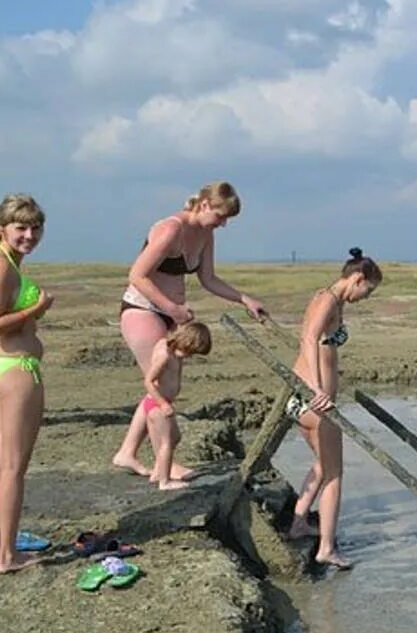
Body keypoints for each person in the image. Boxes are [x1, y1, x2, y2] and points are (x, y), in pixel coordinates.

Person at [112, 181, 266, 478]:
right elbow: (137, 275)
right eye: (221, 217)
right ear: (205, 205)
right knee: (160, 388)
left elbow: (208, 278)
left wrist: (244, 299)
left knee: (165, 386)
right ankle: (164, 465)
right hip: (142, 310)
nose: (223, 225)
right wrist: (172, 308)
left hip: (170, 314)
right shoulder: (171, 229)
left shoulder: (205, 234)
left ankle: (127, 452)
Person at [284, 248, 382, 570]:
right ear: (358, 278)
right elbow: (308, 339)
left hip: (309, 399)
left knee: (322, 465)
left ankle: (299, 522)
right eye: (367, 290)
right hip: (314, 401)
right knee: (336, 473)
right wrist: (316, 388)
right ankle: (326, 547)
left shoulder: (332, 300)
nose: (365, 298)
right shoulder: (327, 299)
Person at [0, 195, 51, 573]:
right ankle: (6, 555)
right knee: (12, 469)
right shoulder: (0, 267)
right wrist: (36, 309)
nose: (29, 235)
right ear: (2, 228)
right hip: (14, 370)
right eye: (21, 227)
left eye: (35, 228)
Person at [140, 322, 213, 491]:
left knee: (175, 437)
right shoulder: (165, 355)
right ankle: (164, 482)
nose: (188, 356)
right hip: (158, 404)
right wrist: (163, 404)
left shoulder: (172, 351)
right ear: (186, 342)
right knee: (167, 441)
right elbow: (149, 382)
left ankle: (158, 472)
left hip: (161, 403)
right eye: (190, 352)